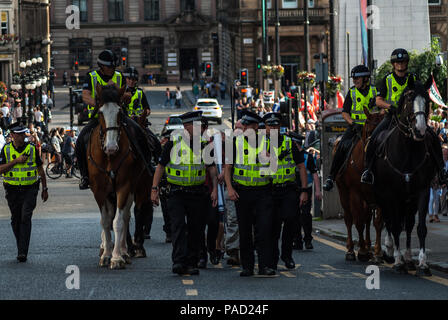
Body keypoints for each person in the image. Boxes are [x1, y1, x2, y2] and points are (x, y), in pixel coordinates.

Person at [361, 48, 448, 185]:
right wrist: (390, 107)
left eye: (403, 62)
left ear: (406, 63)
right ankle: (368, 171)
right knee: (374, 139)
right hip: (392, 117)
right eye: (397, 62)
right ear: (393, 64)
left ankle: (441, 171)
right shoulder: (387, 79)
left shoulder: (413, 77)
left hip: (412, 117)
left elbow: (422, 96)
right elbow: (378, 100)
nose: (400, 65)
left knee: (433, 138)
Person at [151, 111, 218, 276]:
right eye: (194, 125)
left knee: (196, 229)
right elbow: (160, 166)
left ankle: (192, 262)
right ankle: (179, 261)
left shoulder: (203, 144)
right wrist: (154, 189)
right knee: (179, 227)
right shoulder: (174, 142)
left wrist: (215, 189)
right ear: (186, 127)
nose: (198, 128)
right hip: (176, 193)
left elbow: (211, 169)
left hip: (197, 193)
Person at [224, 110, 276, 277]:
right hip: (242, 193)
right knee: (245, 231)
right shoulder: (235, 142)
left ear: (255, 127)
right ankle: (247, 266)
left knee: (263, 230)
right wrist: (230, 189)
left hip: (263, 192)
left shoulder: (267, 142)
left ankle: (264, 266)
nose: (244, 127)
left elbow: (274, 170)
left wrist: (270, 159)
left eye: (247, 125)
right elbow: (228, 168)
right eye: (243, 125)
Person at [262, 112, 308, 270]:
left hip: (288, 190)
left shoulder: (290, 143)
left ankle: (287, 255)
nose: (273, 128)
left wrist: (304, 190)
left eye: (276, 125)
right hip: (269, 191)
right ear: (265, 128)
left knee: (290, 221)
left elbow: (301, 167)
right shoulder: (259, 144)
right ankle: (273, 258)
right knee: (272, 227)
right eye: (270, 125)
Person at [74, 49, 123, 190]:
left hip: (118, 118)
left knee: (138, 134)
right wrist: (99, 105)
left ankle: (146, 166)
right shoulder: (91, 76)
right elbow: (85, 96)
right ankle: (84, 176)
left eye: (114, 67)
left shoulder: (119, 76)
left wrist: (121, 92)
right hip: (98, 118)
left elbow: (127, 94)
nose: (112, 70)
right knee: (79, 143)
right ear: (102, 66)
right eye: (110, 67)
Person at [323, 65, 377, 191]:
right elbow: (345, 112)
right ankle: (331, 177)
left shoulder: (375, 91)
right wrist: (353, 123)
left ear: (365, 78)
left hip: (373, 128)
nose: (354, 81)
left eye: (357, 78)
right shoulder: (352, 92)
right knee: (342, 145)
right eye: (353, 79)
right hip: (355, 128)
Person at [0, 122, 48, 262]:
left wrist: (45, 188)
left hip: (30, 188)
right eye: (20, 134)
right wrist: (16, 161)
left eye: (24, 133)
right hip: (12, 189)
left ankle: (22, 252)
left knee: (25, 217)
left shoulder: (32, 149)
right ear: (13, 135)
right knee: (15, 219)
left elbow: (40, 170)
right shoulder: (6, 149)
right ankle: (20, 245)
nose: (23, 136)